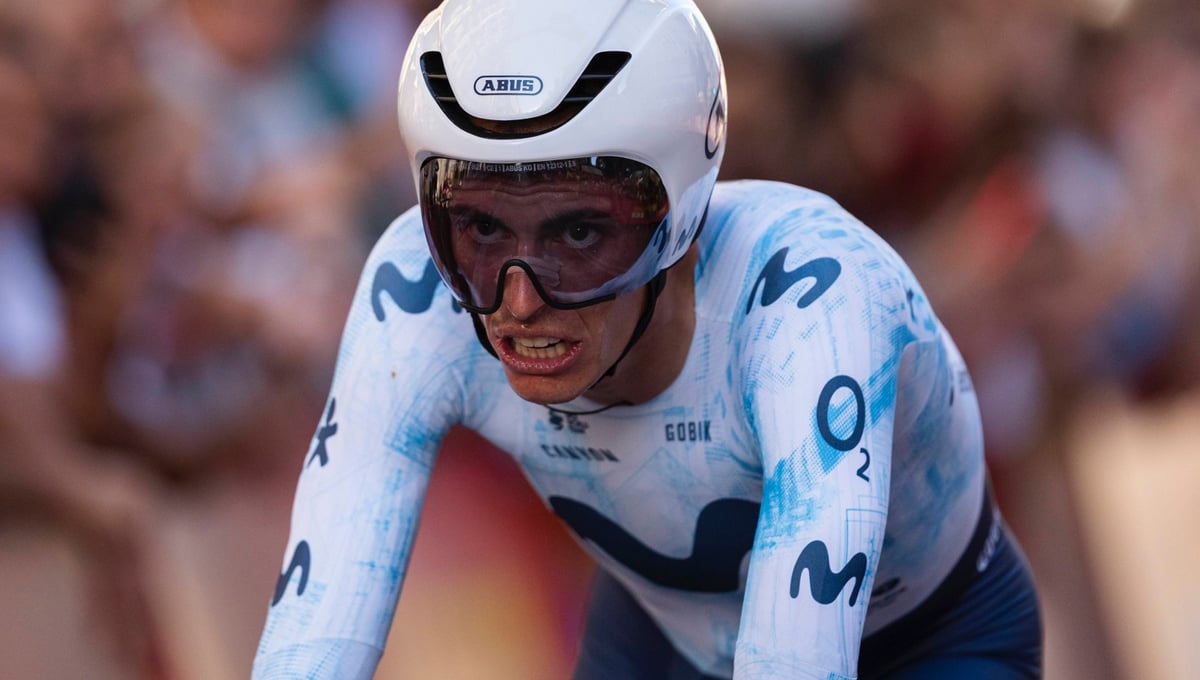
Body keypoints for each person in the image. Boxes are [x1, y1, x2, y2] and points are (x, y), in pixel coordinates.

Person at [252, 1, 1042, 678]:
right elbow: (317, 632)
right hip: (662, 628)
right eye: (482, 230)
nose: (519, 302)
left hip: (928, 640)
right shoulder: (416, 285)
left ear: (679, 219)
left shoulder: (815, 297)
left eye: (579, 234)